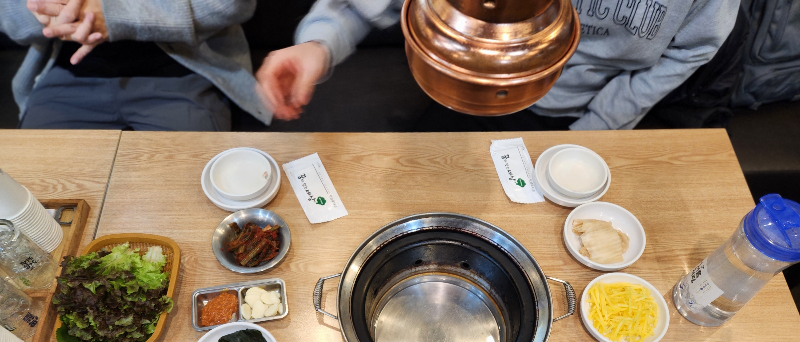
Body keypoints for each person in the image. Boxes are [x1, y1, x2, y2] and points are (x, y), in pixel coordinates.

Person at [256, 0, 738, 131]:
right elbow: (364, 6)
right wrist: (318, 44)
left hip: (580, 114)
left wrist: (598, 127)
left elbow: (692, 48)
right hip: (462, 91)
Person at [0, 0, 272, 131]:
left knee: (185, 194)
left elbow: (230, 5)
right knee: (34, 198)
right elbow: (9, 17)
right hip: (66, 77)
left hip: (182, 75)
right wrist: (44, 10)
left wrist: (114, 15)